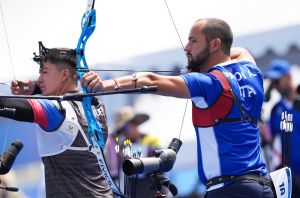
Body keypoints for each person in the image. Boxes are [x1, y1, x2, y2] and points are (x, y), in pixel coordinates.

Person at [82, 18, 275, 197]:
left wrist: (103, 86)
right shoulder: (251, 70)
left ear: (214, 44)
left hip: (230, 190)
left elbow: (150, 80)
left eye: (193, 41)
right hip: (263, 186)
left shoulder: (209, 84)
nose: (186, 47)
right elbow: (238, 50)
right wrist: (206, 60)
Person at [4, 46, 114, 197]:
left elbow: (7, 105)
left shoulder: (56, 111)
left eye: (44, 72)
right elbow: (68, 92)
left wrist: (36, 89)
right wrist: (35, 88)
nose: (40, 79)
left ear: (64, 74)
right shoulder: (95, 104)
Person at [105, 106, 162, 197]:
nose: (125, 132)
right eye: (121, 130)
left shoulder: (151, 140)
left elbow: (161, 165)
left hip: (153, 191)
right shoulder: (121, 146)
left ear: (136, 124)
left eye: (127, 126)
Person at [264, 59, 300, 197]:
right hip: (292, 177)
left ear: (288, 77)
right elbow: (270, 139)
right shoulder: (276, 110)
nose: (275, 86)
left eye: (277, 81)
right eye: (273, 82)